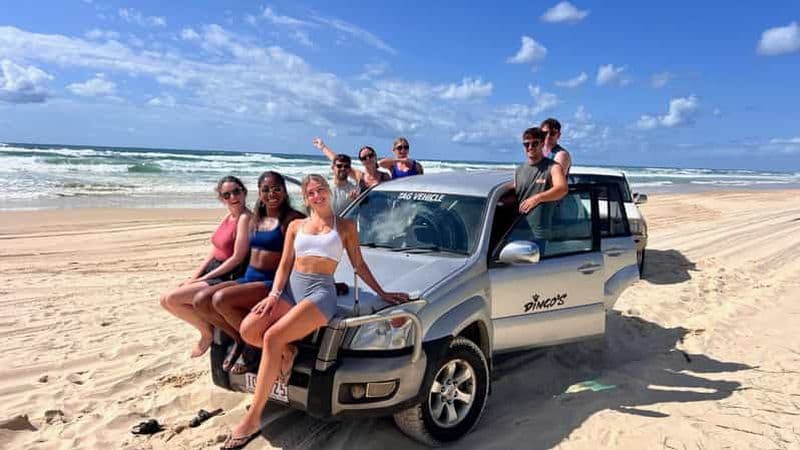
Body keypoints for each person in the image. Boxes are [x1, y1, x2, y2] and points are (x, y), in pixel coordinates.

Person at [221, 174, 409, 449]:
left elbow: (359, 265)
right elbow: (285, 264)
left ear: (328, 192)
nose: (317, 195)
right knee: (249, 329)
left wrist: (383, 294)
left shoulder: (345, 226)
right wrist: (273, 295)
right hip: (291, 289)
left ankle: (253, 418)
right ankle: (288, 351)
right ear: (306, 198)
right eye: (311, 193)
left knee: (272, 336)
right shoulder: (296, 226)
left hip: (320, 294)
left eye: (320, 190)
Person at [192, 171, 304, 374]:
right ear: (259, 193)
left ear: (285, 191)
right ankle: (240, 339)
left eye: (277, 188)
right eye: (266, 189)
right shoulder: (257, 218)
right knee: (200, 301)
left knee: (220, 299)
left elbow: (309, 252)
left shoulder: (292, 219)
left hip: (270, 282)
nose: (272, 193)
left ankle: (271, 347)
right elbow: (238, 252)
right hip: (248, 278)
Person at [159, 176, 251, 358]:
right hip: (213, 268)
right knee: (164, 300)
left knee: (172, 299)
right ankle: (210, 326)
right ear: (221, 198)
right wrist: (194, 277)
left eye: (236, 191)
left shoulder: (245, 218)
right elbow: (214, 250)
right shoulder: (229, 216)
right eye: (227, 194)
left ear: (244, 192)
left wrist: (204, 279)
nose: (233, 197)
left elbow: (236, 257)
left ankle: (207, 334)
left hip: (228, 274)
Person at [515, 127, 568, 214]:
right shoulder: (519, 171)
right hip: (518, 225)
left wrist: (537, 198)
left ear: (542, 144)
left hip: (545, 227)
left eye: (535, 143)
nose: (530, 147)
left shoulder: (553, 167)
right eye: (526, 144)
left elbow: (562, 189)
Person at [312, 138, 391, 193]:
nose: (368, 159)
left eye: (370, 155)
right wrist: (322, 147)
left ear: (375, 156)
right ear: (361, 161)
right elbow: (336, 160)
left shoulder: (385, 176)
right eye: (364, 158)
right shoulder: (360, 176)